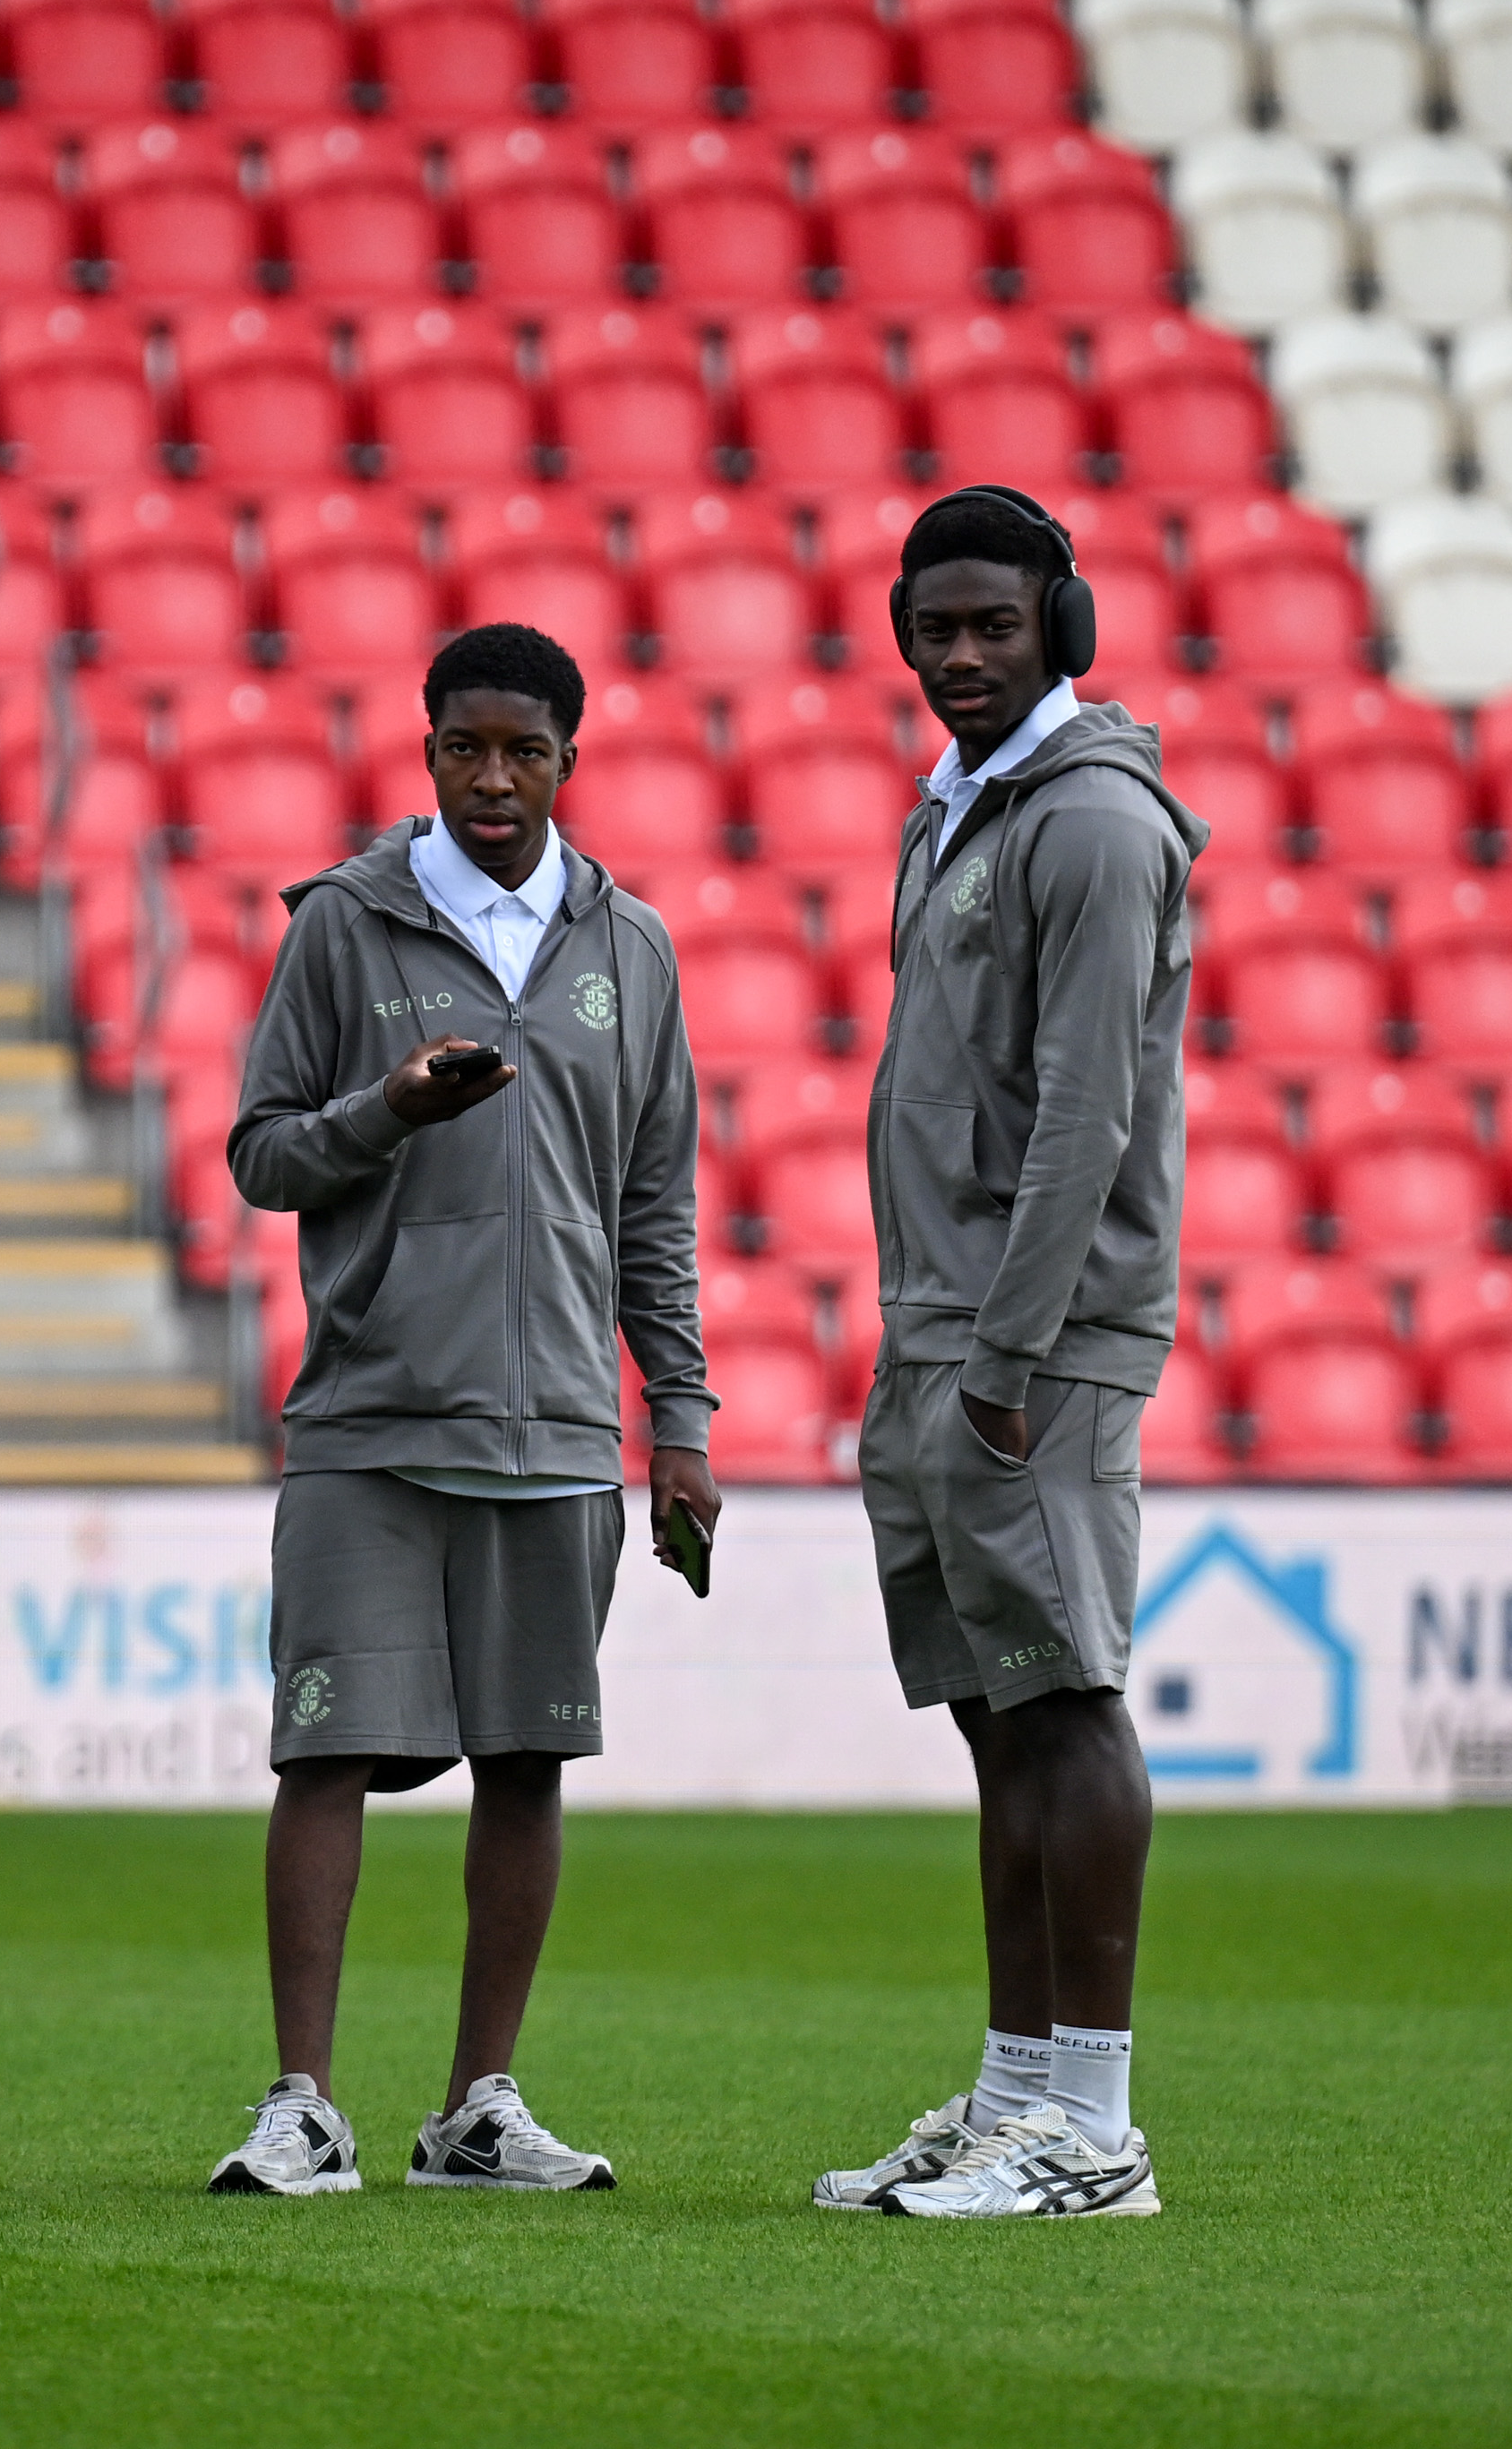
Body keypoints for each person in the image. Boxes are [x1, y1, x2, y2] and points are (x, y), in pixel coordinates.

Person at [206, 622, 718, 2199]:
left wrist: (679, 1418)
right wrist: (386, 1111)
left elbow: (656, 1204)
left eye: (525, 751)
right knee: (329, 1755)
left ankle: (477, 2109)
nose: (493, 779)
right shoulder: (344, 927)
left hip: (562, 1426)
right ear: (423, 751)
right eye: (464, 749)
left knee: (527, 1760)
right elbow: (263, 1157)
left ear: (571, 759)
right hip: (370, 1411)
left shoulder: (631, 948)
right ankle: (302, 2102)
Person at [813, 486, 1203, 2221]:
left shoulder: (1097, 822)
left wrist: (1015, 1344)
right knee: (998, 1715)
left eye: (992, 623)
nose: (960, 654)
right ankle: (1017, 2090)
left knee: (1068, 1698)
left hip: (1030, 1339)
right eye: (934, 626)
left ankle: (1094, 2127)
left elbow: (1088, 1109)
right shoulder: (960, 812)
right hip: (948, 1327)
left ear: (1064, 619)